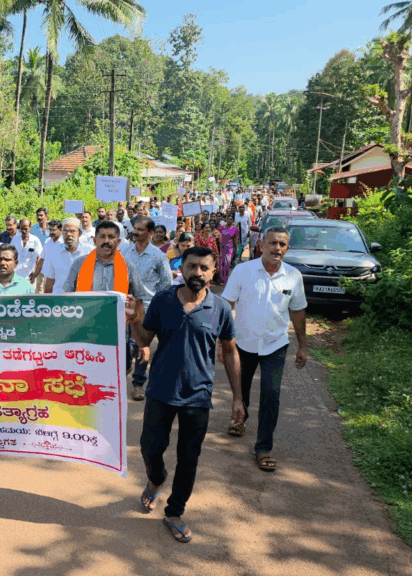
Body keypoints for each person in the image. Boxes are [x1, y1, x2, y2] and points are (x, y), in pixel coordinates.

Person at [132, 245, 243, 543]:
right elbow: (145, 338)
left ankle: (174, 512)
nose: (197, 272)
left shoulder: (220, 308)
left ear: (213, 272)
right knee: (150, 447)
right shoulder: (164, 300)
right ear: (181, 269)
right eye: (192, 266)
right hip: (160, 390)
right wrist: (133, 320)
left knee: (188, 458)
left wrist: (237, 398)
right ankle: (156, 479)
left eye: (204, 268)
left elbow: (230, 351)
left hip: (198, 396)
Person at [220, 227, 308, 473]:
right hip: (242, 342)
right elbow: (227, 306)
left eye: (282, 244)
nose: (277, 248)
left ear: (287, 249)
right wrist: (221, 342)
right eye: (273, 243)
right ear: (261, 245)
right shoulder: (243, 271)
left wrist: (302, 345)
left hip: (275, 344)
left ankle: (263, 448)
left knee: (271, 393)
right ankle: (240, 418)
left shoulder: (293, 276)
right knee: (242, 387)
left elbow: (298, 311)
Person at [122, 216, 173, 401]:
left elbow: (166, 282)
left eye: (140, 229)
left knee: (141, 345)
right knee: (125, 345)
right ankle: (124, 370)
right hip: (126, 305)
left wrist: (154, 301)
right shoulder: (124, 252)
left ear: (150, 233)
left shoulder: (158, 256)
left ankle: (138, 384)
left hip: (146, 307)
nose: (135, 232)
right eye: (135, 228)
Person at [63, 220, 145, 327]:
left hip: (118, 328)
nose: (106, 241)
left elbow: (139, 301)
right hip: (84, 326)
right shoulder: (79, 264)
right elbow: (67, 297)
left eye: (111, 237)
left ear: (118, 242)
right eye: (102, 237)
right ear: (94, 240)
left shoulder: (128, 266)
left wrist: (136, 322)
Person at [42, 217, 93, 293]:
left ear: (79, 233)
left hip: (82, 297)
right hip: (60, 297)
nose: (69, 234)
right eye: (65, 231)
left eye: (72, 231)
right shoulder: (54, 252)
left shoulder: (89, 251)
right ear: (62, 233)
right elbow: (50, 280)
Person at [12, 217, 45, 290]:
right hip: (15, 276)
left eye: (26, 228)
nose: (23, 231)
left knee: (29, 296)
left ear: (30, 228)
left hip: (29, 277)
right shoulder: (15, 239)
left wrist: (35, 274)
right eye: (21, 228)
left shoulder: (35, 240)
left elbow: (40, 258)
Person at [217, 215, 239, 284]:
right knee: (221, 263)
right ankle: (220, 280)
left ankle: (225, 280)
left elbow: (235, 240)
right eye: (228, 219)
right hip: (221, 247)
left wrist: (236, 249)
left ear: (233, 220)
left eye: (231, 219)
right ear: (226, 220)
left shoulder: (234, 229)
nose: (229, 220)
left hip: (229, 247)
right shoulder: (221, 228)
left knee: (227, 263)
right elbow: (217, 236)